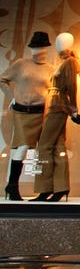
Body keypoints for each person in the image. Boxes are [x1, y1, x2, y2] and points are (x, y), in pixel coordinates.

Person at [0, 31, 55, 201]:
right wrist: (12, 97)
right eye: (34, 47)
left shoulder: (51, 69)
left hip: (39, 113)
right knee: (22, 146)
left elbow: (53, 91)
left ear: (46, 48)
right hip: (22, 110)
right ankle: (12, 185)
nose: (37, 51)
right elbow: (2, 79)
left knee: (33, 149)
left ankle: (18, 187)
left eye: (40, 47)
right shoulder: (21, 64)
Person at [31, 32, 80, 202]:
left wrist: (74, 109)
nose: (59, 44)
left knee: (44, 146)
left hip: (58, 105)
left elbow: (72, 86)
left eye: (63, 41)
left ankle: (44, 189)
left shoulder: (70, 62)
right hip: (54, 104)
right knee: (58, 146)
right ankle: (60, 188)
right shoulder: (63, 62)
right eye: (58, 41)